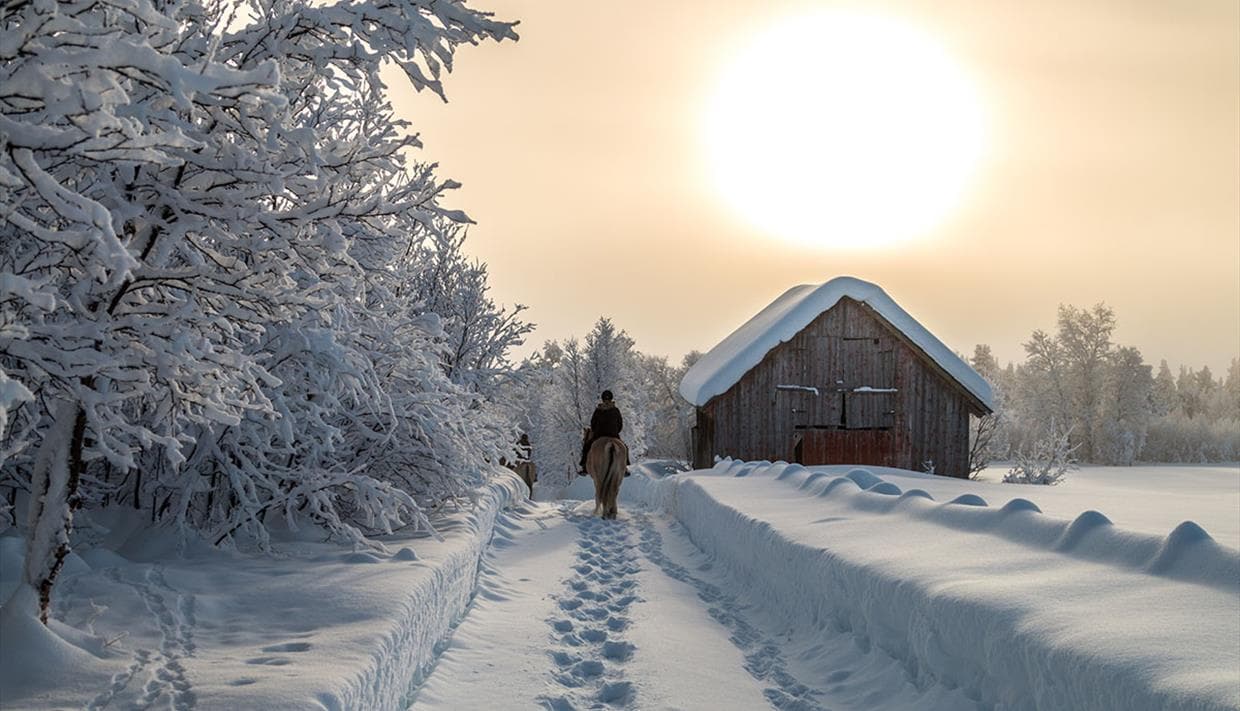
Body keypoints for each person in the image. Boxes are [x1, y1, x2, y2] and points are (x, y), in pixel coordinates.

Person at [580, 390, 623, 473]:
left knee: (587, 447)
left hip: (599, 435)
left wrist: (597, 430)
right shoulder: (616, 410)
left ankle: (584, 467)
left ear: (602, 399)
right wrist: (615, 431)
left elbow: (593, 424)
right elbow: (620, 425)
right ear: (611, 398)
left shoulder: (598, 410)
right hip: (613, 435)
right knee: (624, 447)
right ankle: (624, 467)